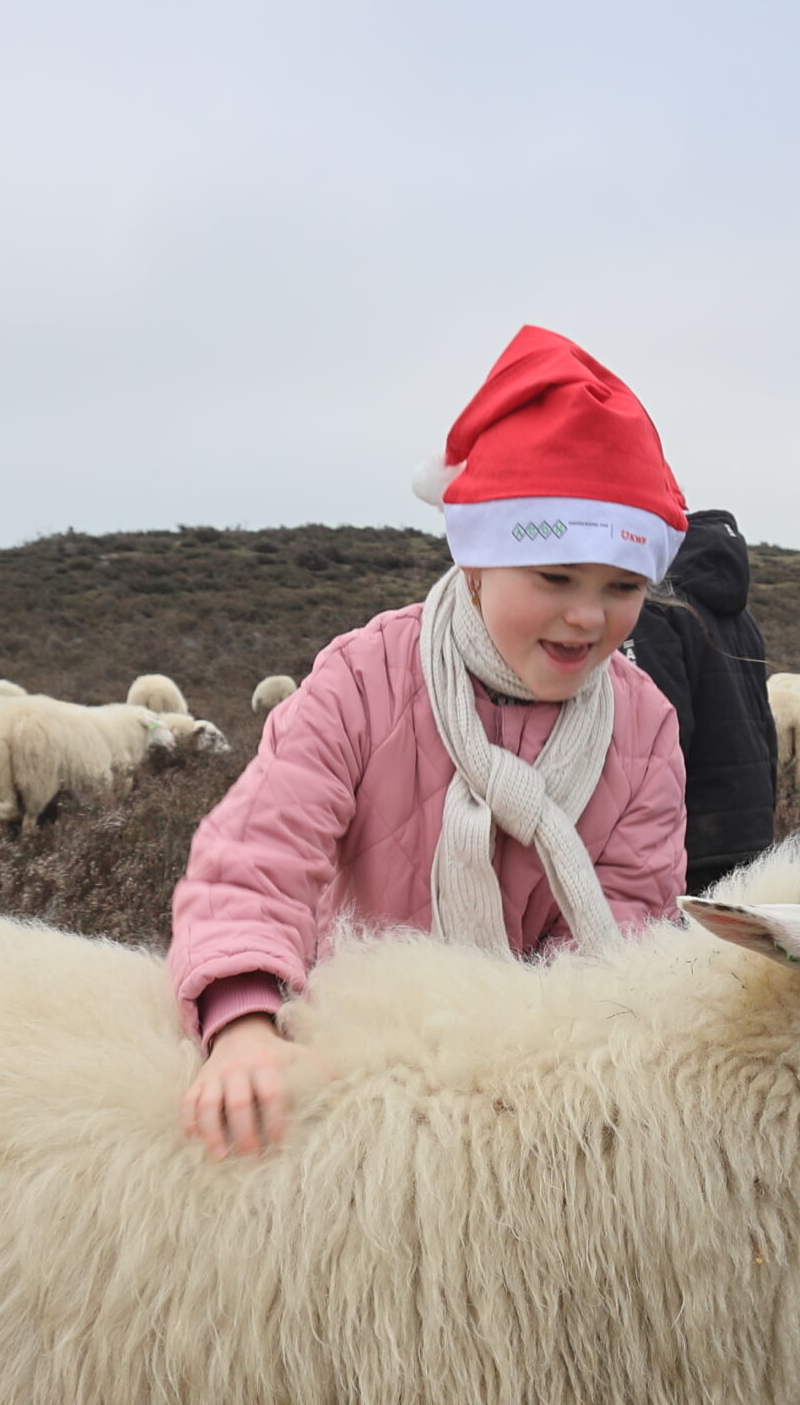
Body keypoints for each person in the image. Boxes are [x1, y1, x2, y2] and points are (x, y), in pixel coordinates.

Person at [172, 325, 691, 1159]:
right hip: (349, 1080)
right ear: (477, 560)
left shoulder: (643, 726)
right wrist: (243, 1023)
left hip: (527, 1106)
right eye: (554, 577)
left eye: (623, 586)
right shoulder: (365, 677)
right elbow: (259, 853)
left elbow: (627, 930)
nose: (588, 616)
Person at [620, 507, 777, 895]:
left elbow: (655, 736)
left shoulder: (654, 606)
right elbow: (762, 716)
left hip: (690, 836)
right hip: (748, 823)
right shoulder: (739, 614)